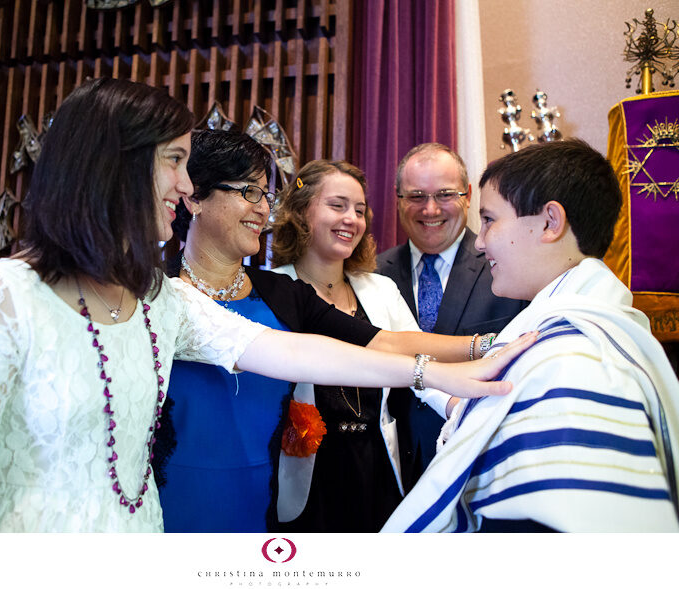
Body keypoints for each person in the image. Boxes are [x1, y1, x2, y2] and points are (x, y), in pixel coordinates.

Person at [0, 80, 533, 533]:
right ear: (114, 166)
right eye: (175, 162)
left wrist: (443, 371)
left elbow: (295, 349)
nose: (184, 187)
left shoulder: (160, 299)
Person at [156, 130, 524, 533]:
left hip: (265, 505)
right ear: (192, 197)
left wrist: (488, 345)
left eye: (266, 196)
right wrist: (433, 371)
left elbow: (382, 340)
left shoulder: (282, 294)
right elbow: (304, 355)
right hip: (176, 497)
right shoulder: (156, 293)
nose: (263, 210)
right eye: (249, 193)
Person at [382, 139, 679, 532]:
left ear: (550, 223)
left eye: (489, 220)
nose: (481, 239)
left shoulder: (573, 360)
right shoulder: (572, 333)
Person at [270, 159, 451, 531]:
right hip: (307, 471)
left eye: (359, 210)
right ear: (302, 212)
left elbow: (418, 363)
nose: (351, 218)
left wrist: (456, 403)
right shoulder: (271, 289)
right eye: (337, 206)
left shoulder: (380, 289)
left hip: (378, 463)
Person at [376, 143, 528, 479]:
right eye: (416, 196)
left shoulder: (509, 269)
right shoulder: (372, 274)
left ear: (468, 195)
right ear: (398, 199)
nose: (430, 209)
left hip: (482, 460)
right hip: (393, 467)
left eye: (444, 194)